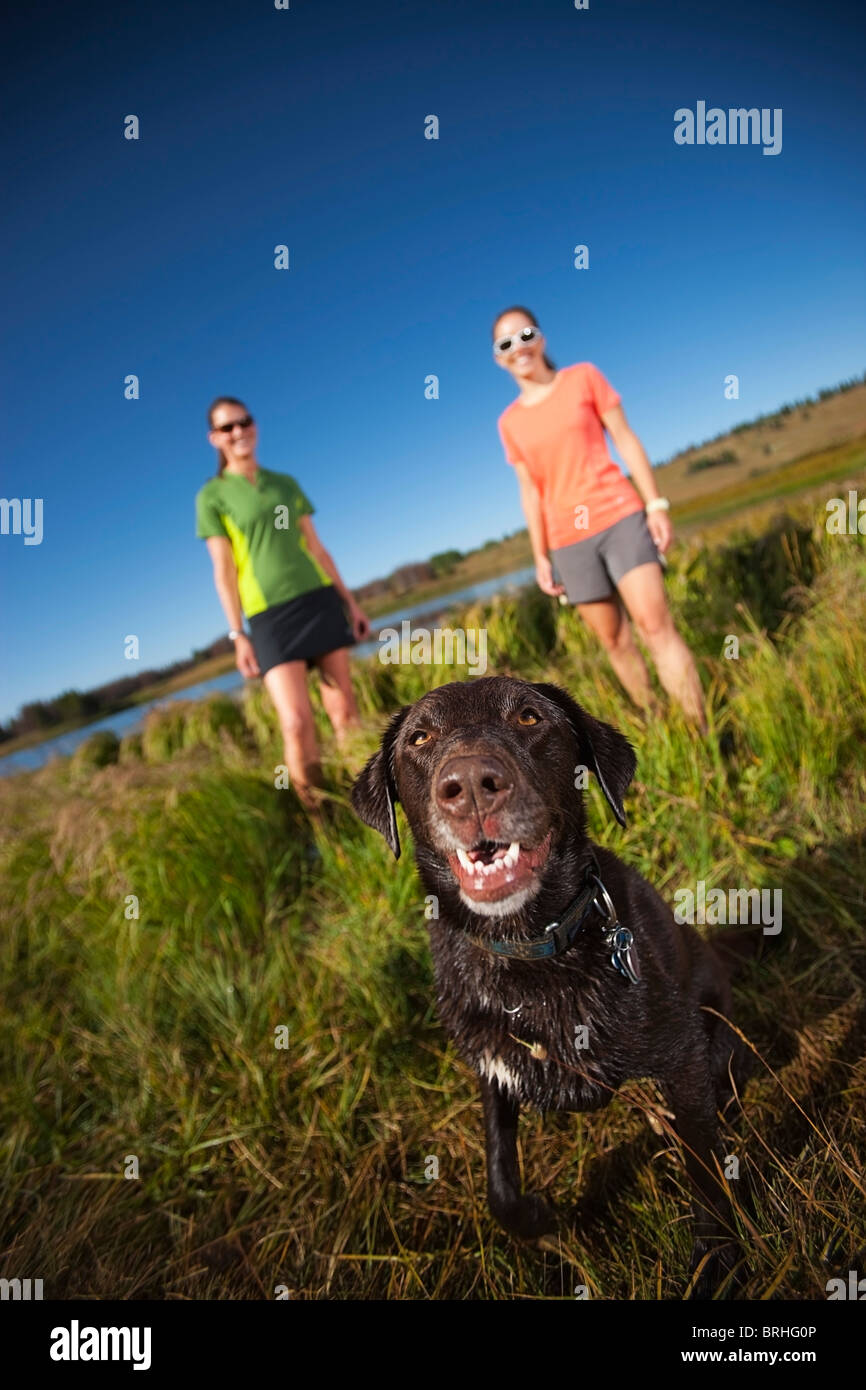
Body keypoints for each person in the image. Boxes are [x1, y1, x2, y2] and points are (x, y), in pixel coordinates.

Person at [493, 306, 706, 730]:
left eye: (525, 334)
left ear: (542, 337)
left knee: (654, 627)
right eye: (506, 343)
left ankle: (703, 732)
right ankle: (659, 727)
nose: (518, 347)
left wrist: (656, 504)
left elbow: (625, 440)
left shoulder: (583, 378)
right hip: (568, 540)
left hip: (619, 514)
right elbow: (530, 490)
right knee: (615, 641)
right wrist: (539, 555)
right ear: (498, 358)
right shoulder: (509, 422)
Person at [196, 396, 369, 806]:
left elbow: (317, 548)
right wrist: (238, 634)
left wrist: (352, 604)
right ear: (215, 439)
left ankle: (364, 803)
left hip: (317, 599)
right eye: (227, 427)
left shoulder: (284, 483)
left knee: (344, 711)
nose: (239, 432)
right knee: (294, 723)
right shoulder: (212, 497)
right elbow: (224, 569)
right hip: (269, 615)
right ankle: (318, 816)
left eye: (244, 422)